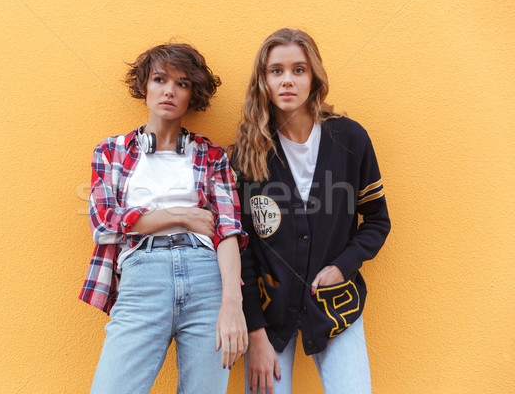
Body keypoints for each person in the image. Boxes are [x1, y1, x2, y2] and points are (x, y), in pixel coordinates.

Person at [79, 43, 248, 394]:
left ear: (192, 95)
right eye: (160, 79)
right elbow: (106, 222)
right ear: (145, 86)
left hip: (207, 280)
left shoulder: (212, 155)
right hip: (143, 277)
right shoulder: (112, 151)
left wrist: (232, 303)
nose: (169, 90)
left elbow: (228, 230)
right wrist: (182, 215)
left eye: (182, 83)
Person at [231, 28, 391, 394]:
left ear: (314, 76)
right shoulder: (247, 153)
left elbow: (377, 220)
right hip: (269, 315)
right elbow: (242, 250)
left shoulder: (350, 139)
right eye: (276, 71)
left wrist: (343, 265)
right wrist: (255, 334)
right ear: (263, 80)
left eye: (299, 70)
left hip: (337, 307)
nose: (288, 80)